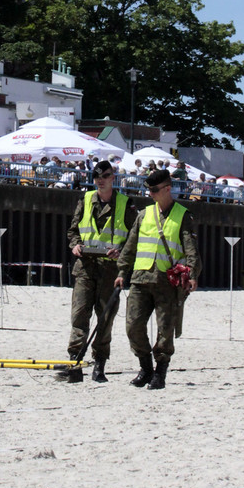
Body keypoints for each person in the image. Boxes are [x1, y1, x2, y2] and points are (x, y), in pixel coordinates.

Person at [115, 168, 202, 390]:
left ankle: (160, 373)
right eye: (148, 190)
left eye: (154, 190)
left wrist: (192, 274)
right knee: (133, 325)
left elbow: (191, 249)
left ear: (167, 188)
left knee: (165, 330)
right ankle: (145, 367)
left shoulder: (183, 215)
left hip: (167, 281)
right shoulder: (144, 215)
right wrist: (121, 272)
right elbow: (130, 246)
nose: (150, 194)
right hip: (140, 278)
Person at [67, 160, 137, 382]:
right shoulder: (86, 200)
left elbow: (135, 239)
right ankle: (74, 363)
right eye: (97, 175)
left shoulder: (126, 204)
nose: (100, 179)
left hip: (110, 270)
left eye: (105, 175)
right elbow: (73, 230)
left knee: (104, 319)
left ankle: (99, 365)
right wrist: (75, 245)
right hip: (85, 267)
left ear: (112, 178)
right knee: (79, 317)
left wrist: (122, 253)